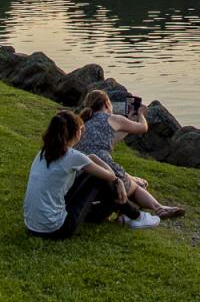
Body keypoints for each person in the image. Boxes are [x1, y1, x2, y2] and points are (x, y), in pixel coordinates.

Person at [23, 109, 156, 238]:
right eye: (81, 129)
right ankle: (136, 216)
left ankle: (123, 213)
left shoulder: (44, 152)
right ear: (75, 133)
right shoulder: (72, 156)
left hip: (32, 226)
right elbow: (109, 175)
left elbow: (85, 163)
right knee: (97, 178)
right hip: (58, 228)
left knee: (91, 175)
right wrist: (117, 180)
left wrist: (92, 157)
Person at [79, 90, 185, 220]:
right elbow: (143, 128)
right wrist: (141, 115)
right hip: (103, 167)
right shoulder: (113, 118)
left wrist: (129, 120)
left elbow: (111, 140)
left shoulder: (83, 122)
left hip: (82, 171)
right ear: (107, 104)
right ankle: (159, 208)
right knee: (134, 188)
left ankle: (132, 192)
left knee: (127, 179)